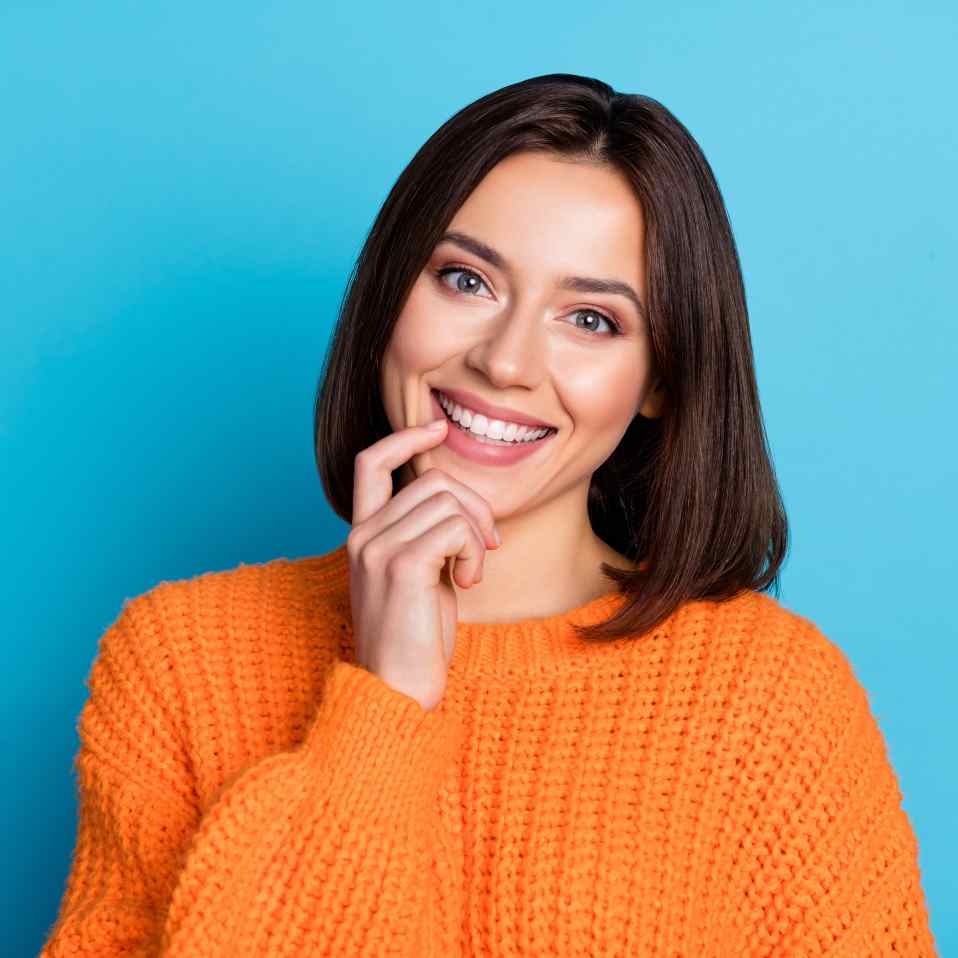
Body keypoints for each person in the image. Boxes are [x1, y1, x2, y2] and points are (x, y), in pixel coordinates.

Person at [40, 74, 938, 956]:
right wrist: (387, 705)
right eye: (466, 280)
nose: (505, 362)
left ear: (660, 379)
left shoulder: (770, 699)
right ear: (391, 294)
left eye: (591, 320)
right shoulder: (179, 661)